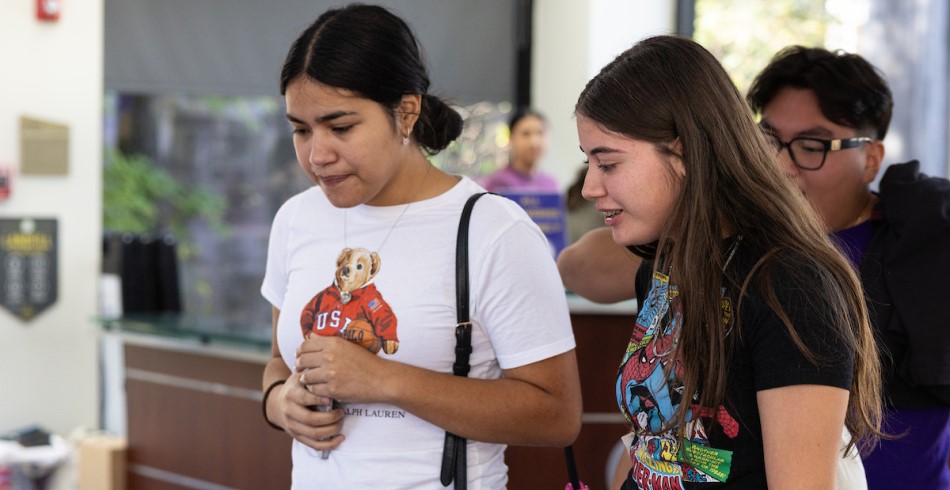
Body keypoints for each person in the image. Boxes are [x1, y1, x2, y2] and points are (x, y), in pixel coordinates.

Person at [561, 43, 950, 489]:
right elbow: (680, 452)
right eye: (587, 160)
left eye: (608, 163)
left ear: (683, 153)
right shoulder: (669, 262)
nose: (590, 186)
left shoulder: (790, 283)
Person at [259, 5, 582, 488]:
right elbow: (280, 363)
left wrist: (383, 379)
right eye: (301, 130)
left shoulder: (493, 231)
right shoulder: (296, 219)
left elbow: (556, 415)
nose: (317, 154)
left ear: (405, 111)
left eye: (340, 127)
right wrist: (280, 404)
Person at [747, 46, 950, 490]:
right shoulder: (743, 244)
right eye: (769, 141)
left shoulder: (923, 242)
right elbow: (586, 270)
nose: (783, 167)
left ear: (871, 160)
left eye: (811, 146)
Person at [480, 108, 559, 193]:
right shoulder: (499, 183)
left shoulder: (550, 184)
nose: (534, 143)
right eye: (525, 134)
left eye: (540, 133)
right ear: (511, 138)